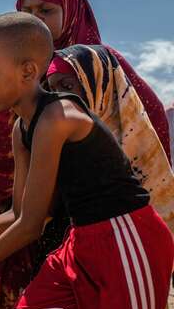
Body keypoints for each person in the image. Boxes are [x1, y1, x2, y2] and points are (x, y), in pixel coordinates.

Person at [0, 12, 174, 309]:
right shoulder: (21, 129)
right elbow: (18, 214)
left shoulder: (57, 119)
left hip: (124, 238)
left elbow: (30, 226)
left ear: (28, 71)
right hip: (80, 243)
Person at [17, 0, 170, 160]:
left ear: (70, 9)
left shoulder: (99, 63)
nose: (36, 19)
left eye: (46, 10)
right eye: (26, 11)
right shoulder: (16, 68)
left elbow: (151, 115)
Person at [46, 45, 174, 229]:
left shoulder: (138, 148)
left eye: (67, 86)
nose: (59, 98)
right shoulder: (65, 138)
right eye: (52, 90)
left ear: (97, 84)